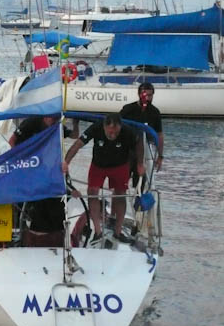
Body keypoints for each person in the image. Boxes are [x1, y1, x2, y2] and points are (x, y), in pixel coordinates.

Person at [62, 114, 144, 243]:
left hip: (120, 165)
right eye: (110, 132)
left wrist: (140, 164)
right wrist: (66, 162)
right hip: (98, 165)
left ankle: (118, 232)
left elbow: (139, 143)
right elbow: (77, 144)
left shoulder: (127, 131)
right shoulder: (96, 127)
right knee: (92, 192)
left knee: (120, 194)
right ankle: (98, 232)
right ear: (104, 127)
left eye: (116, 132)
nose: (113, 135)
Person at [9, 115, 79, 246]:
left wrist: (76, 123)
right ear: (46, 117)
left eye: (56, 120)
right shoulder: (31, 123)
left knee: (57, 197)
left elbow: (74, 135)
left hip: (49, 167)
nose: (54, 122)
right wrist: (21, 162)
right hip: (32, 164)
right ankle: (25, 229)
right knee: (35, 199)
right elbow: (12, 141)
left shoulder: (56, 126)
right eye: (53, 119)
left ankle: (55, 232)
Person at [120, 82, 164, 177]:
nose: (147, 98)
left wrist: (160, 156)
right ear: (139, 94)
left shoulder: (155, 112)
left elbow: (159, 134)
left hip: (146, 149)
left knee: (143, 178)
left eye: (150, 95)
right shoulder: (128, 109)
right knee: (123, 177)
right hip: (128, 149)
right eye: (145, 95)